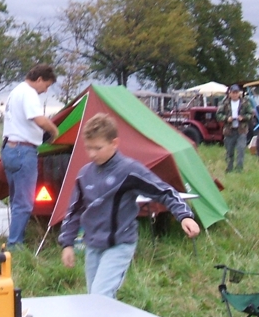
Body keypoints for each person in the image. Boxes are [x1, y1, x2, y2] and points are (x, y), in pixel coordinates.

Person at [58, 113, 200, 299]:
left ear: (114, 143)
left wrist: (184, 216)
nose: (92, 154)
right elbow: (73, 212)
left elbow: (164, 192)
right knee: (94, 298)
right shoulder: (84, 175)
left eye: (98, 148)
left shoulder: (129, 170)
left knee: (100, 296)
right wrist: (67, 243)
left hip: (119, 245)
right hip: (92, 246)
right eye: (88, 148)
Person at [1, 64, 59, 247]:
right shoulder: (29, 93)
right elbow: (39, 119)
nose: (46, 90)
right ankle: (15, 245)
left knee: (15, 200)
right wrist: (54, 131)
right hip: (23, 151)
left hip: (9, 149)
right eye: (46, 86)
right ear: (39, 79)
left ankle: (14, 239)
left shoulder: (16, 91)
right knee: (24, 203)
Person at [217, 84, 254, 173]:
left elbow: (251, 114)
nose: (235, 94)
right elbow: (218, 115)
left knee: (241, 150)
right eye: (233, 92)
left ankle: (239, 169)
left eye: (236, 92)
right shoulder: (224, 103)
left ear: (239, 93)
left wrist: (243, 117)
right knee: (229, 151)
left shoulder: (245, 102)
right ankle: (229, 168)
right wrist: (227, 118)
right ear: (230, 93)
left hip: (241, 130)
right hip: (229, 131)